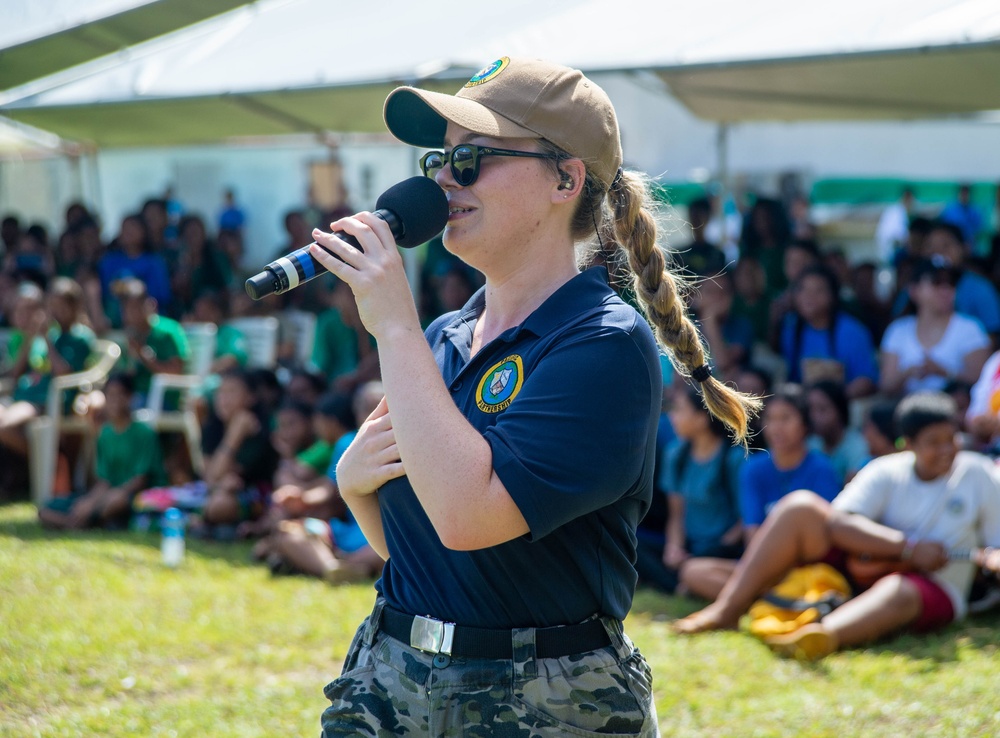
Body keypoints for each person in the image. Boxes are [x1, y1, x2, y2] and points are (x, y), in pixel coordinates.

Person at [307, 56, 759, 736]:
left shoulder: (603, 342)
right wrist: (352, 483)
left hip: (543, 704)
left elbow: (466, 519)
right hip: (389, 677)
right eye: (441, 159)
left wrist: (393, 326)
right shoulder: (444, 334)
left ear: (565, 179)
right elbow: (424, 545)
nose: (442, 180)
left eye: (474, 159)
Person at [674, 392, 1000, 660]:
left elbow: (995, 545)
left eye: (951, 439)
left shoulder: (978, 473)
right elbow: (838, 523)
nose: (947, 450)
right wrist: (908, 548)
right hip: (857, 571)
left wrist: (991, 559)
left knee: (900, 589)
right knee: (799, 506)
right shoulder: (885, 470)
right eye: (934, 442)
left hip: (931, 586)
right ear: (908, 444)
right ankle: (727, 611)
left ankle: (819, 634)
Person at [682, 384, 840, 601]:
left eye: (785, 419)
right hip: (763, 565)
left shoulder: (822, 468)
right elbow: (752, 536)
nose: (777, 428)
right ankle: (774, 600)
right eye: (771, 419)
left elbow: (824, 539)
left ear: (804, 424)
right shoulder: (754, 468)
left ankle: (756, 598)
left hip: (806, 568)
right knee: (692, 571)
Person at [38, 372, 164, 530]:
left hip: (135, 495)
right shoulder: (105, 434)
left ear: (131, 397)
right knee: (46, 510)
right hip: (108, 493)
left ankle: (82, 522)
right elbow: (104, 480)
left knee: (116, 501)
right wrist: (90, 501)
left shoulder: (144, 432)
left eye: (121, 395)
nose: (115, 400)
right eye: (111, 395)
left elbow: (140, 480)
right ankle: (82, 521)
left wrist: (110, 496)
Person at [659, 383, 745, 595]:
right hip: (690, 547)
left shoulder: (732, 459)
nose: (673, 416)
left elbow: (745, 521)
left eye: (679, 409)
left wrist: (715, 549)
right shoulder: (675, 455)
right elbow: (676, 515)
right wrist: (674, 548)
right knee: (636, 547)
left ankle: (687, 580)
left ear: (701, 419)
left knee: (690, 568)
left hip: (723, 548)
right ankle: (686, 580)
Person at [880, 258, 991, 396]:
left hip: (955, 412)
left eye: (951, 283)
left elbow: (983, 383)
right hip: (905, 411)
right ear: (914, 290)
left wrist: (943, 372)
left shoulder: (971, 329)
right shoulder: (897, 330)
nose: (946, 290)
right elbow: (886, 386)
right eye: (936, 282)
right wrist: (908, 372)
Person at [779, 264, 879, 399]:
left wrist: (832, 402)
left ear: (832, 295)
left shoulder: (853, 332)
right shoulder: (791, 328)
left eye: (818, 290)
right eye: (803, 289)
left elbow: (866, 380)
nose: (809, 297)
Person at [806, 380, 869, 484]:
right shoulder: (809, 444)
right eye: (810, 409)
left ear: (840, 410)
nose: (814, 417)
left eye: (822, 409)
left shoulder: (858, 446)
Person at [875, 187, 915, 266]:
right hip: (890, 253)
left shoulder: (895, 211)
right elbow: (898, 236)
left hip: (886, 251)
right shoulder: (898, 213)